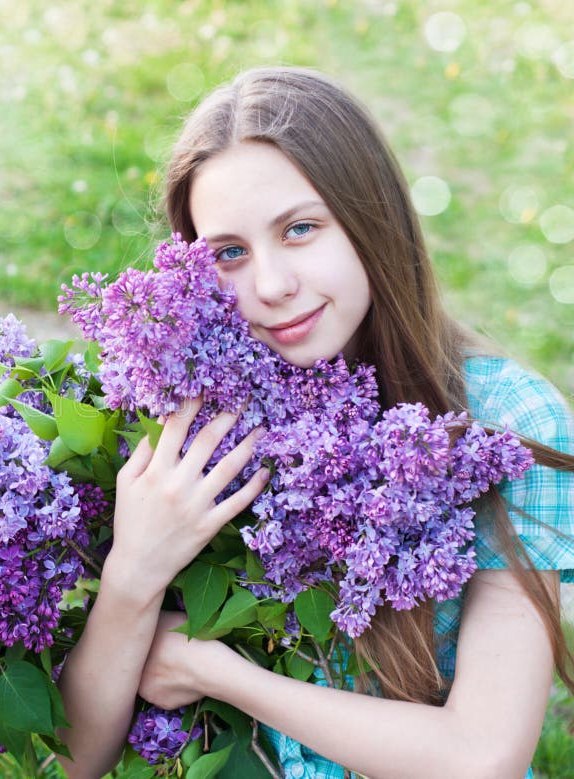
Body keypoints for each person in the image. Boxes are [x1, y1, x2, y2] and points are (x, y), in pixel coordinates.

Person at [56, 66, 574, 779]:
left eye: (301, 229)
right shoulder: (185, 422)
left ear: (372, 220)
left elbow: (479, 756)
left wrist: (217, 671)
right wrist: (132, 575)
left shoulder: (502, 424)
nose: (270, 286)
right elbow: (72, 764)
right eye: (229, 253)